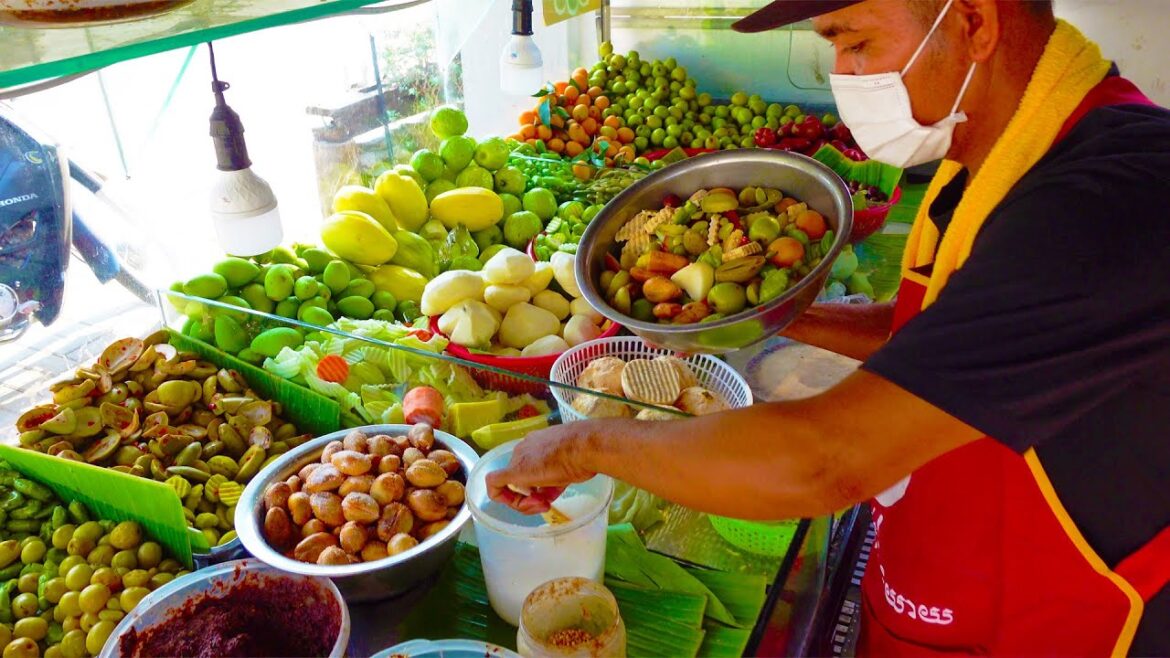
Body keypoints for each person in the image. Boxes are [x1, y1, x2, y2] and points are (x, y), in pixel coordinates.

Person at [487, 0, 1170, 654]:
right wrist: (773, 315)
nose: (842, 77)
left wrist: (582, 447)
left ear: (973, 21)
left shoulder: (1110, 202)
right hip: (954, 595)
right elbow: (943, 338)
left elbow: (825, 462)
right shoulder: (1005, 156)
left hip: (1062, 626)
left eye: (857, 43)